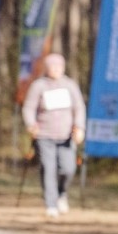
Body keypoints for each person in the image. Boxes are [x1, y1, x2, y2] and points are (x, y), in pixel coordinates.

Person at [21, 52, 86, 219]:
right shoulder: (39, 86)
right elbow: (28, 108)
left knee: (68, 168)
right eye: (53, 66)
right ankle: (50, 203)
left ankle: (61, 193)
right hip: (44, 134)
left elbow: (79, 107)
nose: (56, 70)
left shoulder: (70, 85)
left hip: (66, 135)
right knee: (48, 168)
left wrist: (79, 127)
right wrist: (31, 124)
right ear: (47, 68)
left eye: (59, 66)